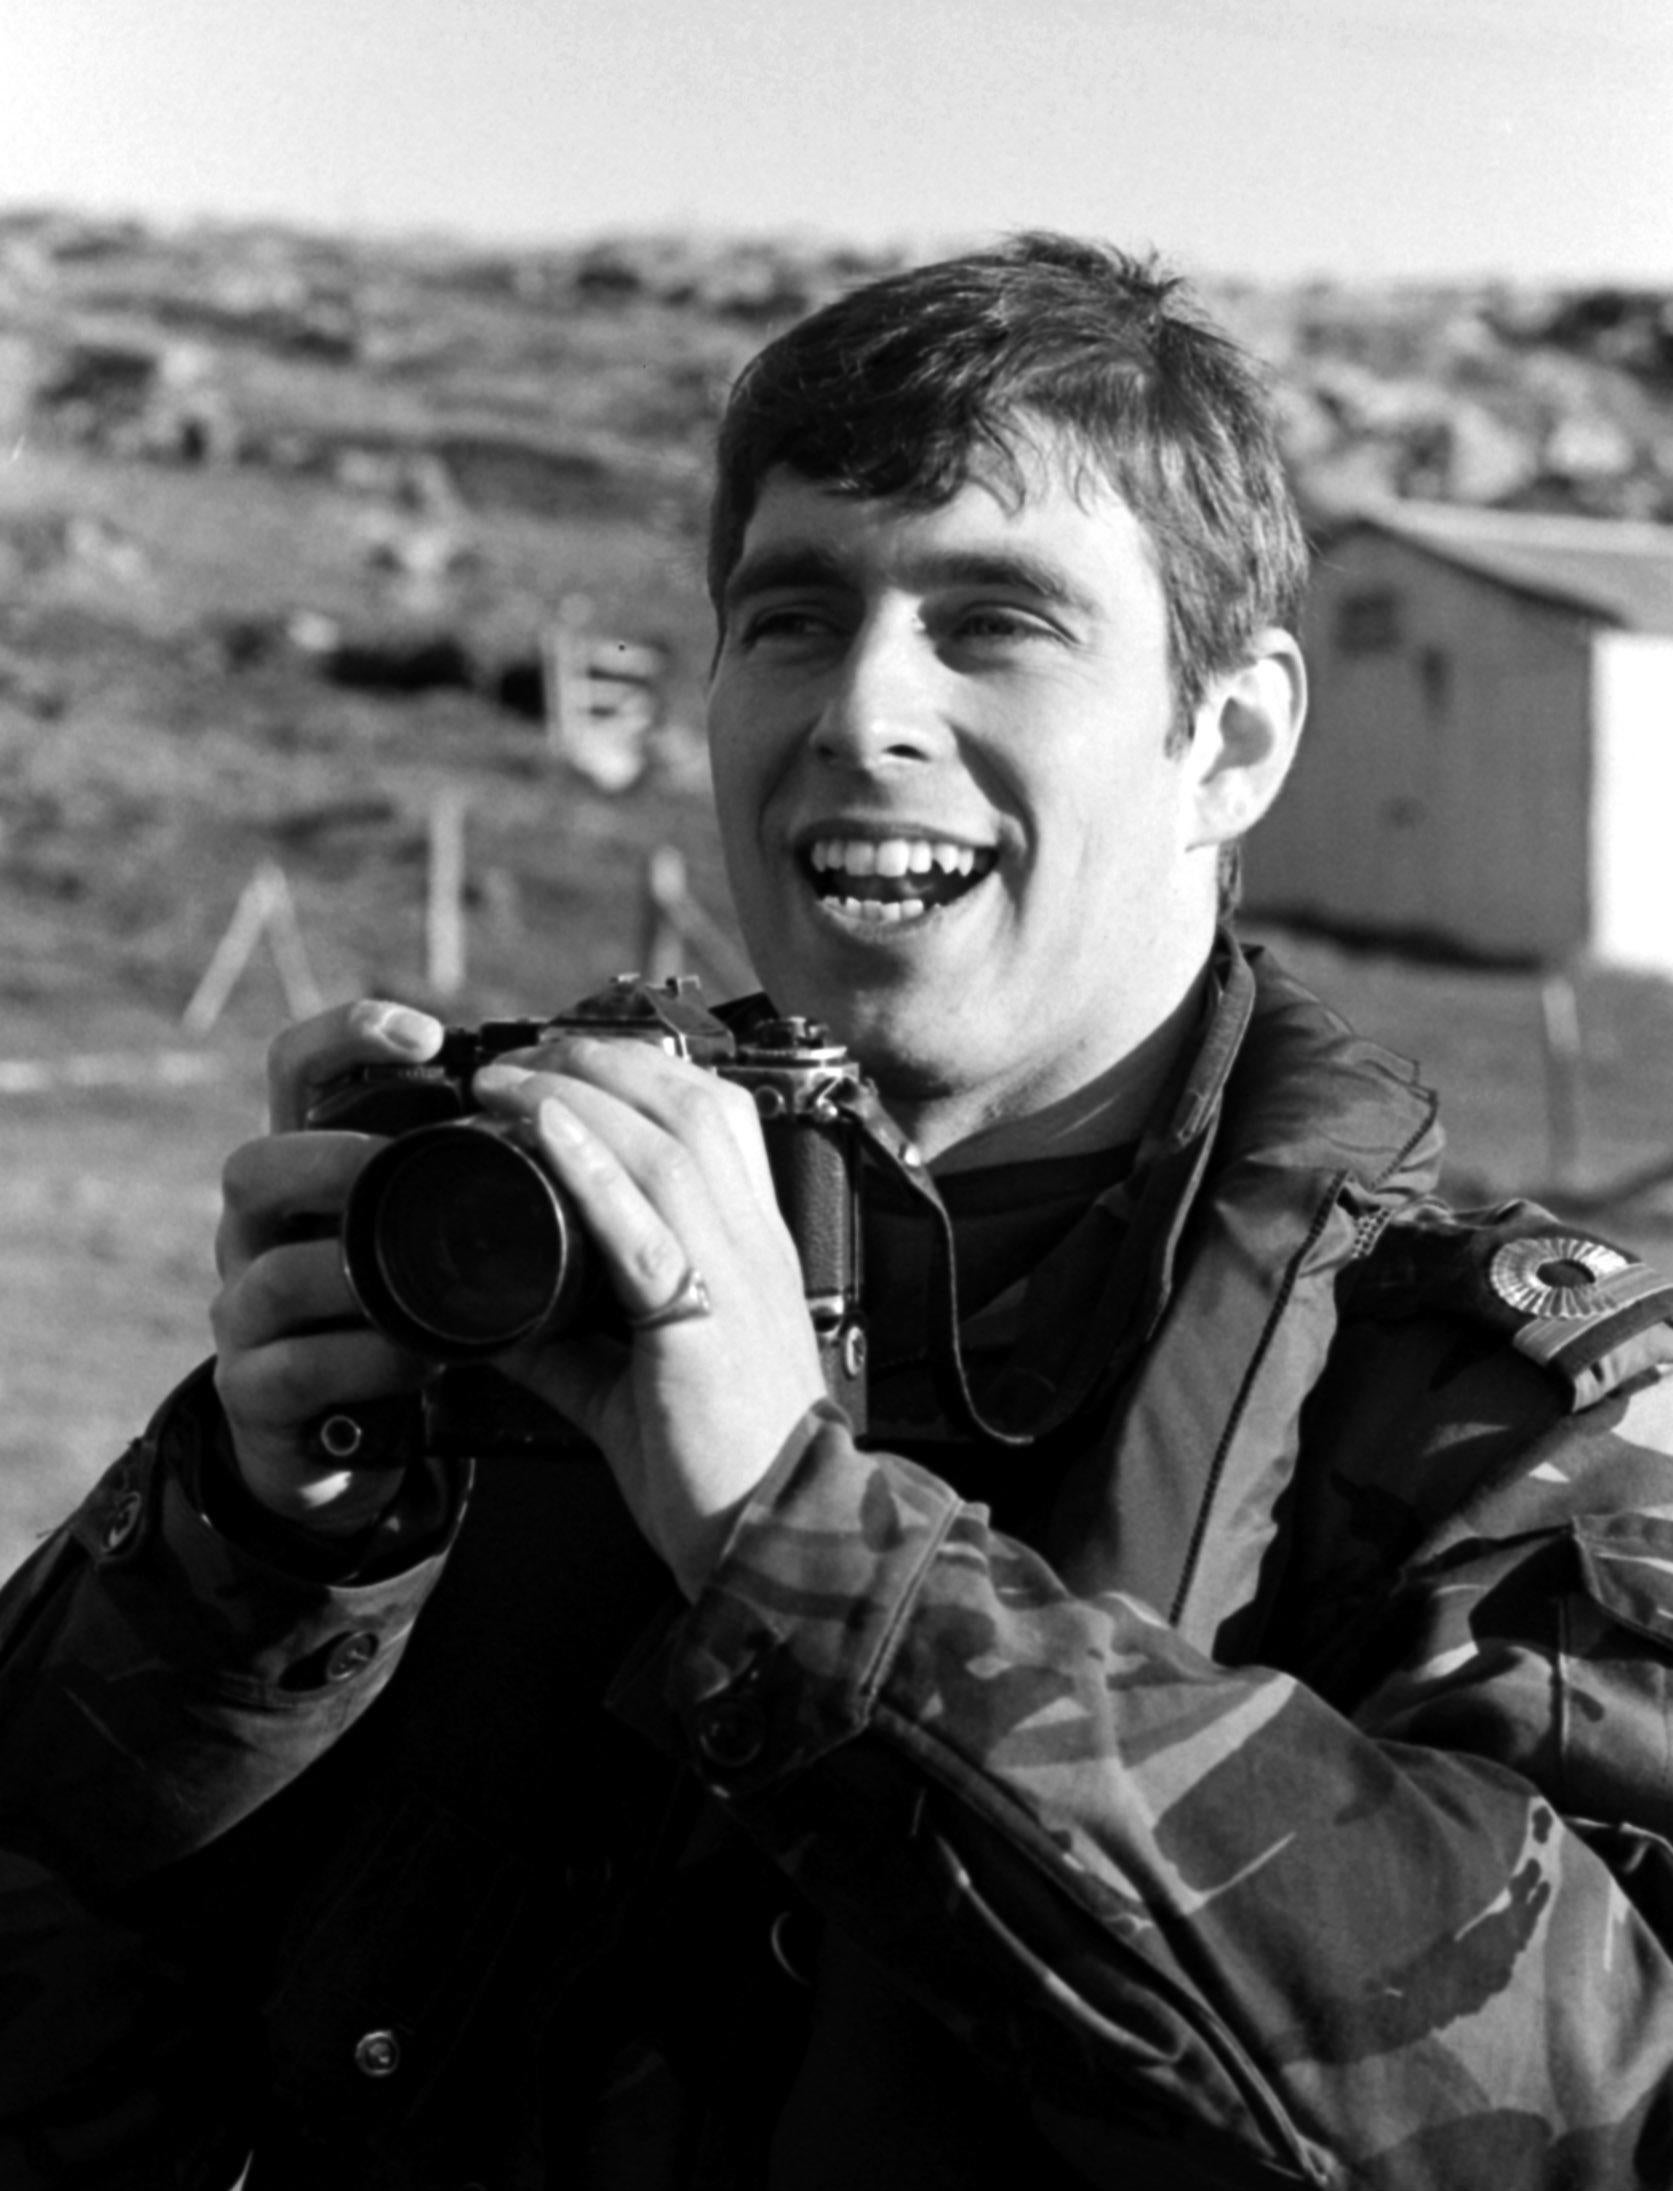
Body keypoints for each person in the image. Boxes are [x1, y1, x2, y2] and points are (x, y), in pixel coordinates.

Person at [5, 231, 1673, 2190]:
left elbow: (1592, 2099)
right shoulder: (527, 1265)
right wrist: (261, 1546)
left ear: (1229, 737)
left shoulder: (1511, 1419)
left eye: (995, 623)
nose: (862, 706)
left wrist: (798, 1541)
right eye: (791, 616)